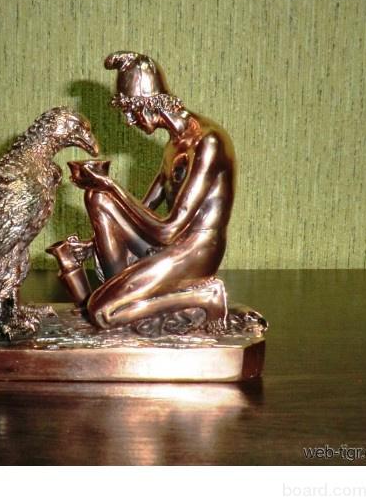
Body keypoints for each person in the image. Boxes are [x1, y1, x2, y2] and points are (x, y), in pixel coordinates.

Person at [60, 51, 236, 330]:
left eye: (131, 111)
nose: (131, 121)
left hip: (195, 251)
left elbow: (168, 231)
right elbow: (143, 210)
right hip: (168, 247)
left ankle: (204, 296)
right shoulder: (173, 144)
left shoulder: (207, 143)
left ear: (148, 104)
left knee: (102, 312)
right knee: (97, 197)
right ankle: (125, 293)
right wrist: (91, 244)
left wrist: (111, 184)